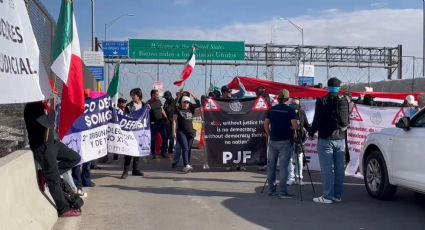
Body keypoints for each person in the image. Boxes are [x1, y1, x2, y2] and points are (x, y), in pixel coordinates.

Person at [24, 100, 81, 217]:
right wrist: (53, 110)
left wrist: (51, 107)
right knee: (54, 179)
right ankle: (64, 209)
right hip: (42, 147)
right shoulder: (32, 107)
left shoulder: (42, 105)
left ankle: (47, 174)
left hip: (53, 143)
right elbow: (47, 124)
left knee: (75, 158)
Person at [308, 77, 349, 204]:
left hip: (325, 138)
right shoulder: (343, 101)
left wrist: (311, 132)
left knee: (327, 169)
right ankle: (337, 196)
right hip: (340, 138)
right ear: (339, 88)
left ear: (328, 87)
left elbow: (317, 120)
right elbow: (345, 121)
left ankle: (327, 197)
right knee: (339, 169)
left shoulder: (321, 101)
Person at [264, 89, 298, 199]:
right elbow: (295, 126)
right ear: (287, 99)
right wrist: (290, 127)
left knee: (271, 166)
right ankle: (282, 192)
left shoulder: (272, 109)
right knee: (284, 167)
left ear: (278, 98)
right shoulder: (290, 110)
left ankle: (271, 190)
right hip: (285, 141)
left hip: (273, 140)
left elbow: (265, 124)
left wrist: (270, 134)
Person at [121, 88, 146, 179]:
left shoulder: (144, 105)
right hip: (131, 132)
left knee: (137, 151)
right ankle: (125, 171)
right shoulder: (129, 106)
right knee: (128, 152)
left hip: (140, 131)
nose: (132, 97)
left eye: (133, 95)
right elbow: (125, 117)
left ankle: (136, 169)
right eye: (131, 95)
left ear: (138, 95)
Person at [173, 94, 201, 172]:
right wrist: (173, 132)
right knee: (185, 148)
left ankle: (187, 164)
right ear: (181, 102)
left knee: (188, 149)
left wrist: (193, 96)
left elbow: (199, 106)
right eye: (184, 102)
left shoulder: (191, 110)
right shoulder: (177, 110)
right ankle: (186, 165)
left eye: (188, 102)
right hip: (181, 132)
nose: (186, 104)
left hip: (190, 132)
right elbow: (174, 121)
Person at [287, 98, 310, 186]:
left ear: (299, 105)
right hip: (289, 138)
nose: (294, 106)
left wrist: (312, 132)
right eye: (292, 104)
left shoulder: (302, 113)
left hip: (299, 139)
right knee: (290, 159)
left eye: (296, 104)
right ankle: (291, 178)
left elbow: (307, 125)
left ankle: (299, 178)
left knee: (299, 159)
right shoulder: (288, 112)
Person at [147, 89, 168, 159]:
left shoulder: (159, 101)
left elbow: (162, 110)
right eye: (156, 95)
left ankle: (163, 152)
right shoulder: (148, 103)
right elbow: (146, 112)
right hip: (153, 123)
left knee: (165, 137)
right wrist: (148, 108)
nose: (158, 96)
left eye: (158, 94)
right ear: (152, 95)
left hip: (161, 122)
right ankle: (153, 153)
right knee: (153, 138)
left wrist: (166, 117)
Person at [163, 91, 176, 156]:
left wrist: (164, 109)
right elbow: (164, 109)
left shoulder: (172, 102)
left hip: (171, 121)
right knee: (165, 137)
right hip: (165, 121)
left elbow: (168, 110)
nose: (165, 98)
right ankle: (164, 151)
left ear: (169, 96)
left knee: (171, 137)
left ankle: (170, 151)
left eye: (165, 96)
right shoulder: (166, 102)